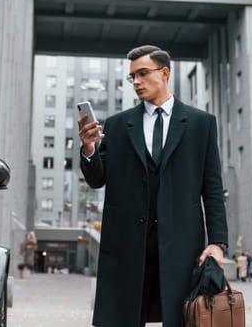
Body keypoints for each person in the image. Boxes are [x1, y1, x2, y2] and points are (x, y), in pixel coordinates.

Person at [78, 45, 228, 327]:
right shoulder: (118, 125)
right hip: (127, 246)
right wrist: (88, 148)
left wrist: (217, 243)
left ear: (165, 73)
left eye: (142, 73)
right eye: (132, 76)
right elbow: (97, 178)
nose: (136, 82)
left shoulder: (200, 124)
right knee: (123, 319)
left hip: (181, 246)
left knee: (181, 319)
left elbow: (212, 189)